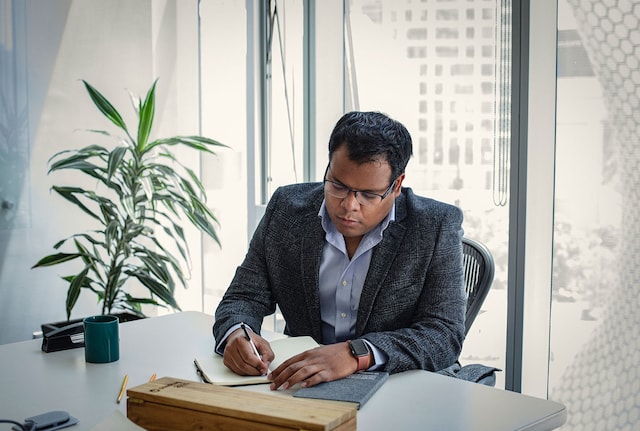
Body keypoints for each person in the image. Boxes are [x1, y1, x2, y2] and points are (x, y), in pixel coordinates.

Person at [213, 111, 466, 390]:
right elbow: (244, 295)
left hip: (397, 384)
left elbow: (443, 334)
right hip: (299, 383)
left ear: (396, 185)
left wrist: (356, 353)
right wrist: (238, 333)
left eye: (368, 195)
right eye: (338, 185)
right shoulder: (287, 209)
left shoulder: (434, 225)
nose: (349, 206)